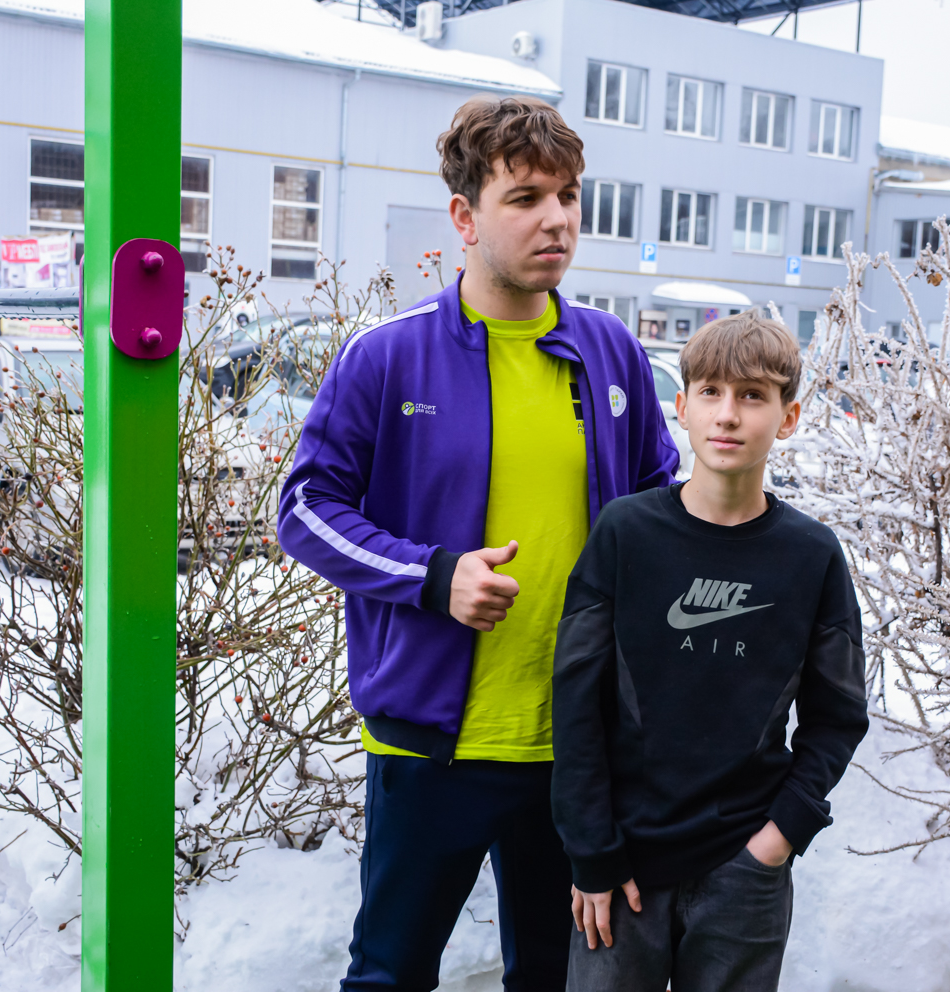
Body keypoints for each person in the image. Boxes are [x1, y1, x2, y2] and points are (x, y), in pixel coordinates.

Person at [276, 95, 679, 991]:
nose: (556, 219)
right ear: (464, 217)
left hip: (575, 749)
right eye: (525, 197)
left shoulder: (612, 352)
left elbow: (664, 508)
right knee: (389, 976)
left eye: (568, 196)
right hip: (432, 744)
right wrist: (434, 576)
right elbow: (303, 509)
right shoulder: (388, 356)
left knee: (553, 980)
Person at [551, 311, 870, 990]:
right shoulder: (625, 533)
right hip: (624, 865)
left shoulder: (811, 556)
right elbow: (575, 702)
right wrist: (592, 851)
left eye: (753, 396)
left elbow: (838, 716)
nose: (728, 414)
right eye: (711, 393)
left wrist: (778, 839)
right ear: (682, 407)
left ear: (788, 417)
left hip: (744, 872)